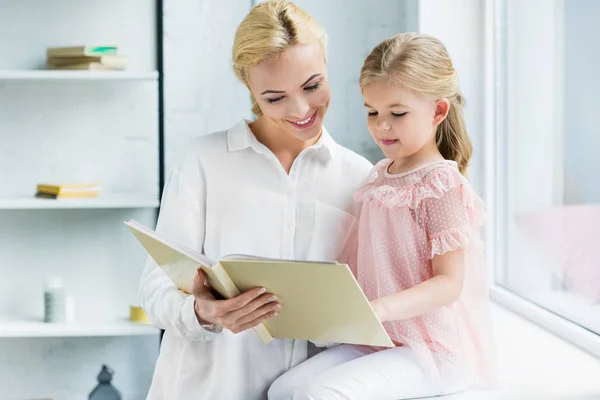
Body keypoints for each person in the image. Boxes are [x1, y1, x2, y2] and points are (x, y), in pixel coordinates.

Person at [138, 1, 373, 399]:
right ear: (249, 88)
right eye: (275, 97)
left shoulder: (358, 176)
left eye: (312, 86)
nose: (300, 110)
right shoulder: (204, 161)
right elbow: (154, 289)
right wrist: (203, 311)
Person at [268, 33, 498, 400]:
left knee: (321, 393)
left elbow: (449, 283)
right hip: (382, 338)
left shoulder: (439, 183)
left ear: (438, 111)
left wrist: (379, 309)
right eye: (372, 111)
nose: (381, 126)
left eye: (398, 113)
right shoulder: (378, 175)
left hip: (432, 349)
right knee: (284, 390)